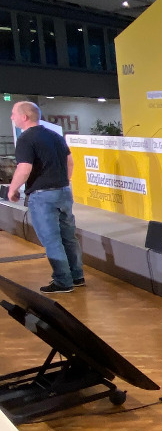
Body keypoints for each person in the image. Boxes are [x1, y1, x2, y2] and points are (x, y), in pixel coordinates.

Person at [7, 101, 85, 294]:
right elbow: (70, 162)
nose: (11, 117)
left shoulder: (26, 139)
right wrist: (63, 181)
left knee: (51, 240)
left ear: (24, 117)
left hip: (43, 196)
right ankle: (76, 276)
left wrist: (12, 189)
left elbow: (24, 168)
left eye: (13, 113)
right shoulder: (55, 136)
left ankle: (63, 281)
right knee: (68, 237)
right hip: (63, 192)